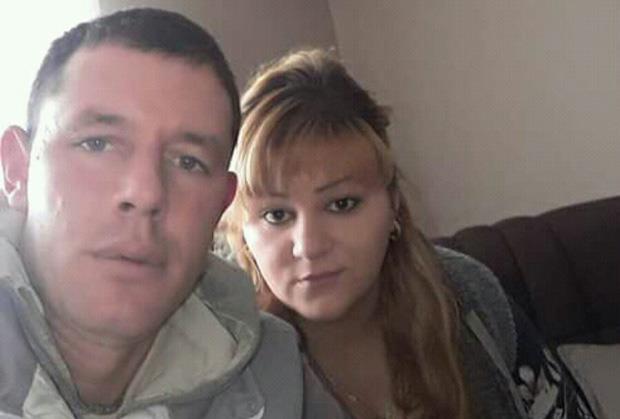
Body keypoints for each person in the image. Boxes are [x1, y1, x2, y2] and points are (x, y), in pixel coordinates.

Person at [0, 9, 345, 418]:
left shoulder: (278, 375)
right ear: (18, 171)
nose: (146, 193)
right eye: (97, 144)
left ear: (221, 205)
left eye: (188, 162)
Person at [222, 49, 596, 419]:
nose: (309, 245)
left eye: (342, 204)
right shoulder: (220, 368)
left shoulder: (468, 296)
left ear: (393, 205)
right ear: (242, 230)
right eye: (276, 215)